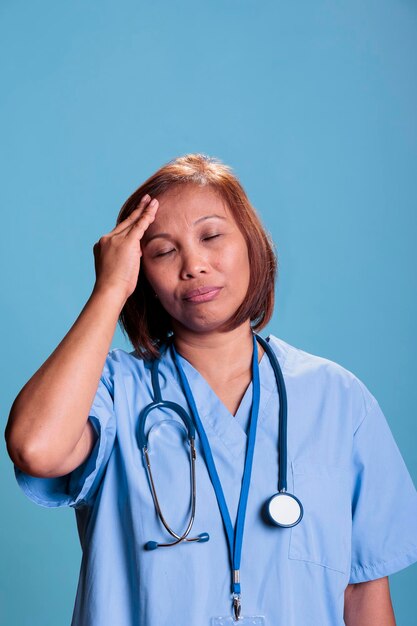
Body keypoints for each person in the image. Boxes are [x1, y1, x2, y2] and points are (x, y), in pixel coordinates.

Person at [5, 153, 417, 626]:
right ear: (143, 276)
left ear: (251, 245)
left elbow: (364, 595)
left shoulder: (339, 400)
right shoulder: (112, 391)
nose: (194, 265)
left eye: (211, 236)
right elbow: (35, 448)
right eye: (163, 251)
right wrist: (109, 290)